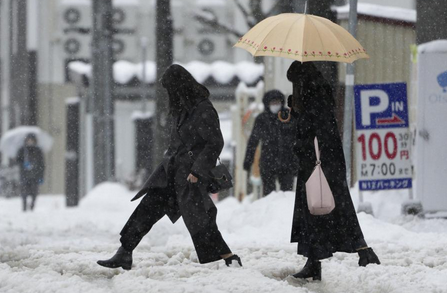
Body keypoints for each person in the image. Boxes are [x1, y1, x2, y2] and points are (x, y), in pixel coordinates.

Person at [97, 64, 242, 270]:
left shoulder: (203, 109)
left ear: (180, 87)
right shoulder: (181, 109)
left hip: (190, 176)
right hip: (170, 173)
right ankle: (124, 252)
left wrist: (197, 171)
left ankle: (228, 257)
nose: (169, 95)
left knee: (201, 219)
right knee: (146, 209)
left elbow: (214, 143)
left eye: (170, 90)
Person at [286, 61, 380, 281]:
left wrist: (299, 122)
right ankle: (316, 261)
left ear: (301, 80)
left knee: (325, 209)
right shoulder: (318, 92)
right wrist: (298, 110)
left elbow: (312, 130)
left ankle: (363, 251)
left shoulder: (313, 97)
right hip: (326, 162)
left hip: (318, 163)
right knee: (321, 212)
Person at [243, 90, 298, 196]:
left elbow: (298, 140)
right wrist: (248, 161)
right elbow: (253, 141)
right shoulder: (262, 119)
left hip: (288, 162)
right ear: (267, 104)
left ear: (282, 103)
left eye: (277, 102)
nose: (275, 105)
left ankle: (284, 212)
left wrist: (298, 162)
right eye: (272, 103)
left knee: (287, 195)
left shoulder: (290, 117)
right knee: (269, 195)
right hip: (268, 162)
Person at [16, 133, 45, 211]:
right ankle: (24, 206)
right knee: (24, 192)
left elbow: (41, 164)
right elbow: (18, 160)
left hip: (35, 175)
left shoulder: (38, 150)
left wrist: (41, 176)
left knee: (34, 192)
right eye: (29, 140)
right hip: (24, 175)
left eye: (31, 140)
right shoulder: (22, 150)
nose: (30, 142)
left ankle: (32, 205)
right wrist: (23, 164)